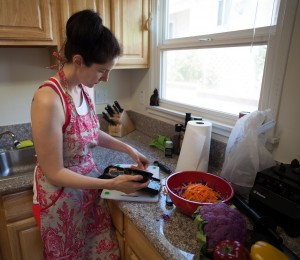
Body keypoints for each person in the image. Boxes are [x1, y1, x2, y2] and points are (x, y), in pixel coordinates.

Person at [31, 9, 149, 259]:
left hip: (89, 191)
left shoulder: (85, 88)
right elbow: (55, 172)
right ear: (77, 60)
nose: (106, 78)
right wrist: (111, 184)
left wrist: (129, 149)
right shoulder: (48, 99)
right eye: (101, 70)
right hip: (62, 200)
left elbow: (92, 133)